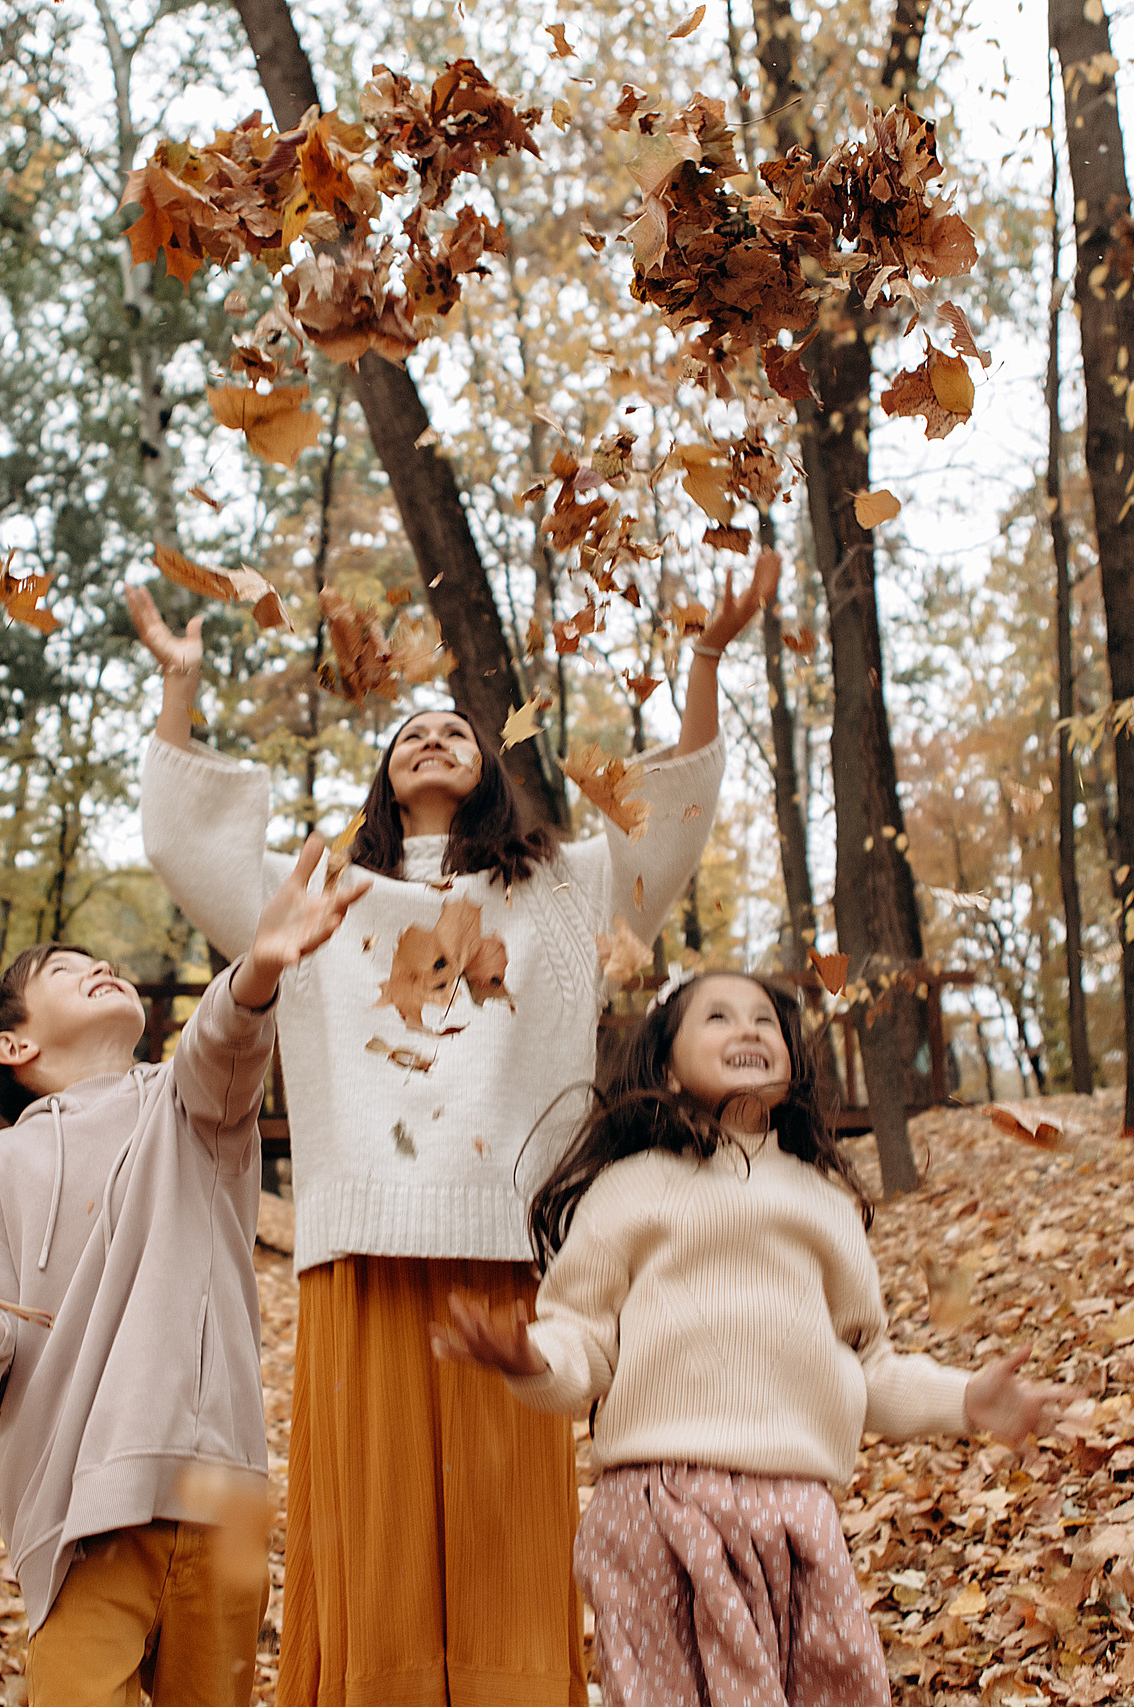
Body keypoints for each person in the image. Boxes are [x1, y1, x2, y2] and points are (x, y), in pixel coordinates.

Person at [129, 555, 778, 1707]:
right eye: (409, 730)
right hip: (359, 1239)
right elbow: (194, 851)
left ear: (491, 772)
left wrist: (708, 662)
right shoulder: (325, 888)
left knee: (502, 1511)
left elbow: (666, 832)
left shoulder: (561, 886)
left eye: (456, 729)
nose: (431, 736)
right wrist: (179, 690)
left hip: (509, 1240)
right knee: (369, 1509)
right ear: (382, 773)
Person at [432, 970, 1072, 1707]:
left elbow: (868, 1366)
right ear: (667, 1063)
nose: (748, 1030)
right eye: (719, 1016)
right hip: (657, 1508)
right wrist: (530, 1356)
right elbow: (582, 1342)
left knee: (835, 1688)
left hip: (797, 1517)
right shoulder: (631, 1188)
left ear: (791, 1059)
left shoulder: (822, 1202)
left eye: (765, 1019)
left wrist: (967, 1400)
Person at [0, 835, 369, 1707]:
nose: (104, 965)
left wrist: (257, 973)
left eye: (103, 959)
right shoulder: (1, 1167)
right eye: (67, 966)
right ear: (13, 1046)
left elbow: (222, 1045)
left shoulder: (191, 1104)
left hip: (223, 1486)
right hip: (79, 1503)